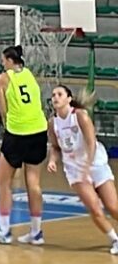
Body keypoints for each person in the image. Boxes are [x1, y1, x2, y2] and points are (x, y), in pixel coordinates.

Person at [48, 85, 118, 255]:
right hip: (74, 170)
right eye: (53, 95)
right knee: (94, 208)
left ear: (69, 99)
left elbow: (91, 143)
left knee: (113, 206)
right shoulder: (52, 123)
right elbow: (56, 147)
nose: (55, 97)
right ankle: (115, 240)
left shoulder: (80, 116)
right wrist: (52, 160)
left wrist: (87, 167)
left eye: (59, 94)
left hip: (96, 164)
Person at [0, 45, 48, 245]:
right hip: (39, 130)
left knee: (4, 182)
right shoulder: (29, 74)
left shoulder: (3, 78)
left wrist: (9, 124)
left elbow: (2, 109)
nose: (2, 63)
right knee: (33, 184)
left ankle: (5, 231)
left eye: (3, 60)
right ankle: (36, 232)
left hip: (18, 133)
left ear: (9, 60)